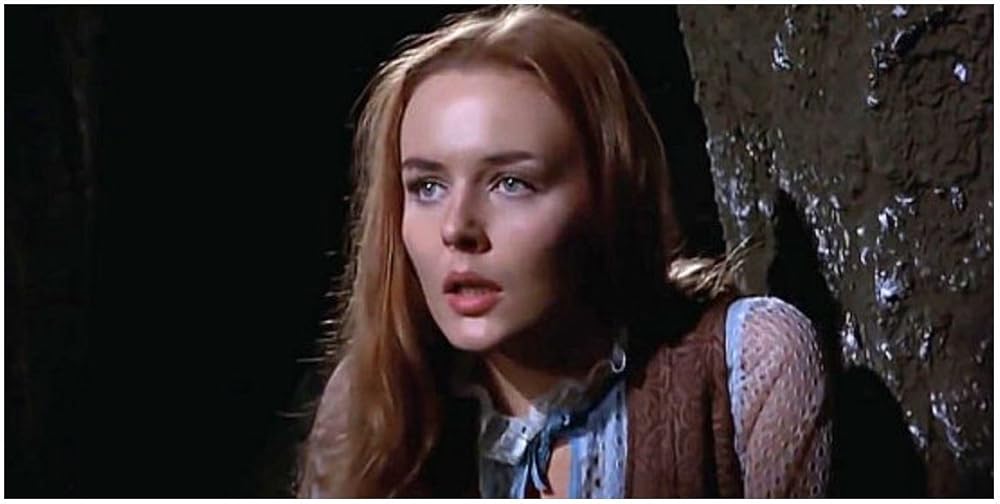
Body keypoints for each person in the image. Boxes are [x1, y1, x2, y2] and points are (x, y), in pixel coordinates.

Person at [298, 5, 830, 498]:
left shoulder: (749, 365)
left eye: (510, 183)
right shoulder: (370, 407)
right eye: (427, 187)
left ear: (608, 194)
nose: (457, 229)